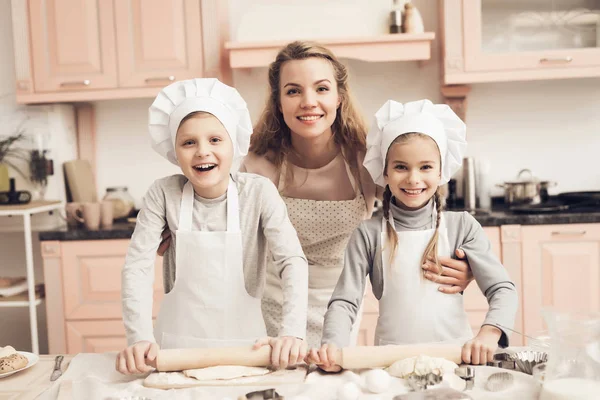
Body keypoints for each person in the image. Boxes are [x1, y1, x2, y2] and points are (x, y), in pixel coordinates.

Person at [239, 42, 475, 349]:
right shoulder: (256, 165)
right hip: (273, 300)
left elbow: (419, 209)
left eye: (321, 89)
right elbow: (225, 228)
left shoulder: (366, 160)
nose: (309, 102)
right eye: (293, 91)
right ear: (279, 102)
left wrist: (464, 263)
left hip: (342, 299)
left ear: (339, 97)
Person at [116, 78, 308, 375]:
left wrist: (292, 331)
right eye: (188, 142)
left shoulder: (258, 192)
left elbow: (291, 261)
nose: (202, 151)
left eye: (215, 140)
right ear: (174, 150)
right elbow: (137, 267)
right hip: (173, 354)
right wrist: (139, 337)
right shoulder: (162, 194)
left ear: (234, 144)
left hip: (247, 352)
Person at [309, 99, 518, 371]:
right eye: (401, 167)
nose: (413, 179)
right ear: (384, 171)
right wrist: (332, 346)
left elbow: (501, 288)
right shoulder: (368, 234)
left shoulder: (462, 227)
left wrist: (489, 334)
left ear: (442, 171)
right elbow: (345, 301)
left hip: (457, 359)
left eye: (425, 167)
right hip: (391, 363)